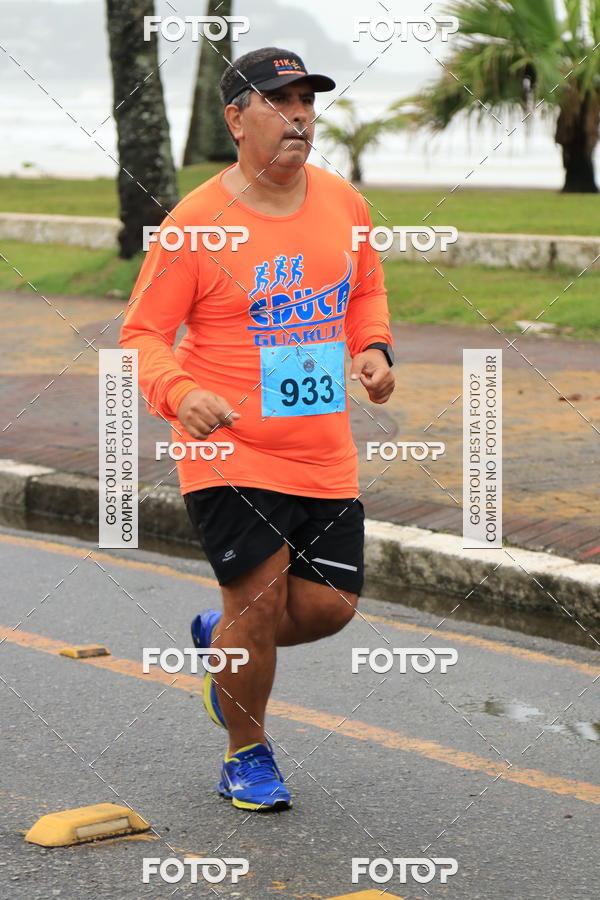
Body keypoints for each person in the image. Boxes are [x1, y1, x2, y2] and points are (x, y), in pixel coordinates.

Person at [120, 46, 395, 812]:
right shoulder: (197, 224)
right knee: (260, 602)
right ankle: (248, 754)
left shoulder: (343, 203)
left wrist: (371, 349)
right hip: (230, 449)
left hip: (322, 451)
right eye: (279, 101)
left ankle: (224, 639)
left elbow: (364, 290)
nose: (299, 115)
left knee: (328, 608)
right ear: (236, 117)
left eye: (307, 100)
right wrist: (180, 391)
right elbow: (142, 334)